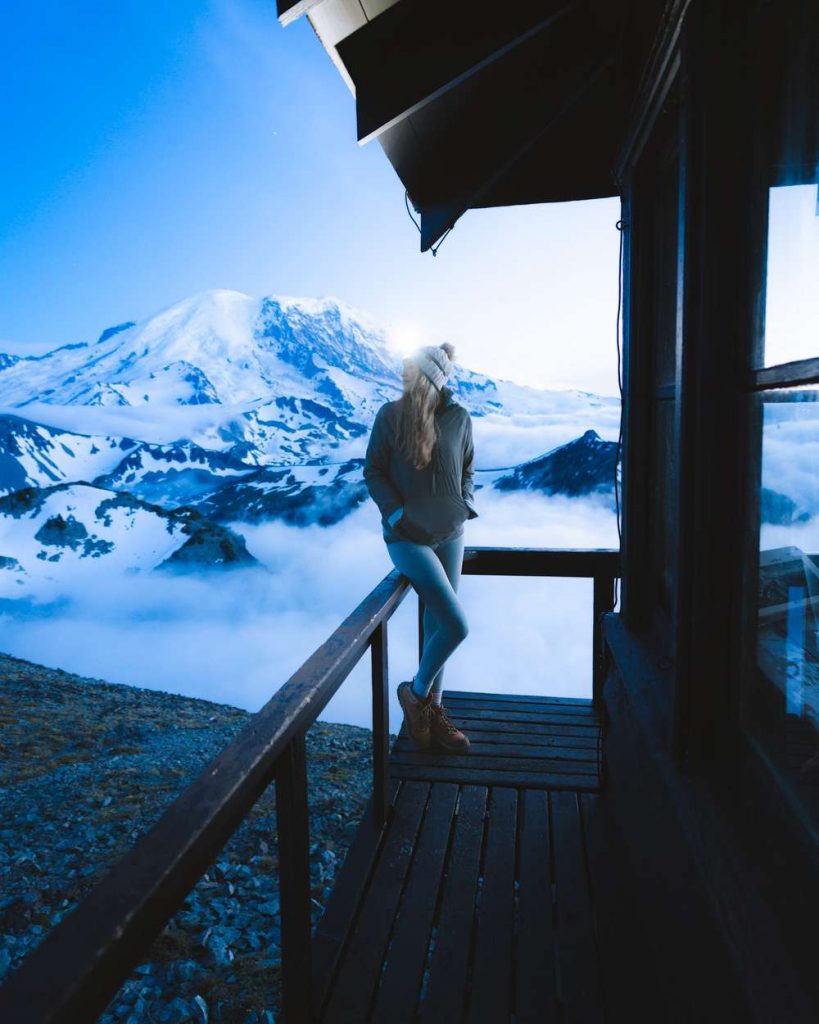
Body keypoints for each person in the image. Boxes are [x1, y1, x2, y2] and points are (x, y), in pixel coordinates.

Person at [363, 342, 478, 754]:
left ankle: (431, 713)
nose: (403, 378)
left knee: (438, 626)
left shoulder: (459, 418)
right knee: (455, 625)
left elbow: (467, 467)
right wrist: (394, 514)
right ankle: (415, 695)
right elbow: (373, 471)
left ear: (430, 379)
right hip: (407, 537)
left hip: (451, 533)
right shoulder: (390, 417)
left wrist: (463, 504)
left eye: (411, 372)